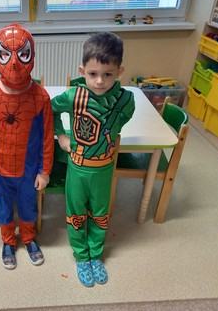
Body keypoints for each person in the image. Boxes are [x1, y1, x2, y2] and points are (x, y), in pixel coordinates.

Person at [51, 32, 134, 287]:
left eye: (108, 74)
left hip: (104, 170)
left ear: (119, 72)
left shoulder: (125, 100)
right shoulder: (74, 96)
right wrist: (61, 134)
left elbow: (122, 120)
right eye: (93, 74)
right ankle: (80, 256)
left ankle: (95, 255)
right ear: (82, 71)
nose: (100, 81)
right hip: (77, 169)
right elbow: (49, 109)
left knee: (100, 214)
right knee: (76, 214)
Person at [0, 24, 54, 269]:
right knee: (3, 207)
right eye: (5, 54)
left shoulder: (40, 97)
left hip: (29, 170)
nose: (14, 63)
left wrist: (44, 171)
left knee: (29, 207)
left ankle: (28, 238)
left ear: (32, 55)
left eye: (22, 54)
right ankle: (8, 241)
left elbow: (47, 137)